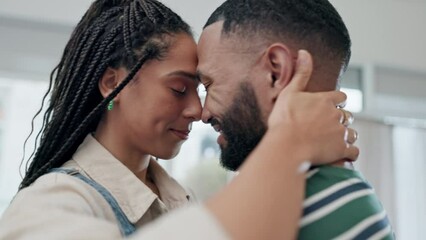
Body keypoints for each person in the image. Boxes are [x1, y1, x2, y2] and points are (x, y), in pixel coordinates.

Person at [0, 0, 357, 239]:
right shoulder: (47, 205)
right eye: (178, 89)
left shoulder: (183, 201)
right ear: (113, 84)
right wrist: (291, 141)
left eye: (201, 89)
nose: (198, 111)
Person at [196, 0, 394, 239]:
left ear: (275, 73)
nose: (203, 113)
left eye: (209, 85)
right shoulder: (345, 196)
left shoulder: (292, 212)